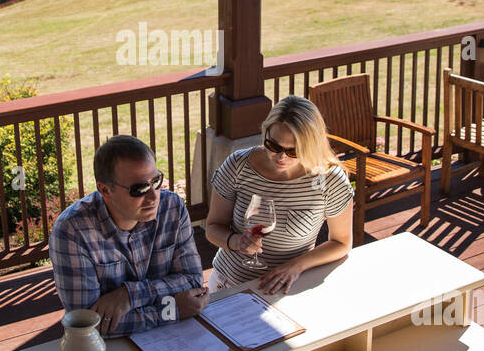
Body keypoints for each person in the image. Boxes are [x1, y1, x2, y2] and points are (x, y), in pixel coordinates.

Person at [49, 134, 207, 336]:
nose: (153, 196)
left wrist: (129, 296)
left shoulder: (172, 207)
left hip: (176, 340)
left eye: (156, 181)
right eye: (139, 188)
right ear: (105, 190)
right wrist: (172, 310)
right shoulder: (72, 231)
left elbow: (192, 282)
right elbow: (87, 324)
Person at [205, 93, 354, 293]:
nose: (280, 156)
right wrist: (235, 241)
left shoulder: (329, 179)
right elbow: (213, 227)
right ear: (265, 133)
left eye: (293, 151)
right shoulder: (238, 165)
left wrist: (296, 266)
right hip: (230, 284)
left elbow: (341, 243)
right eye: (273, 145)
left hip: (288, 288)